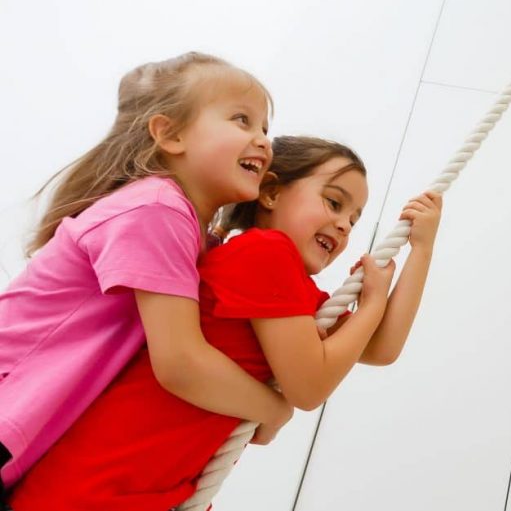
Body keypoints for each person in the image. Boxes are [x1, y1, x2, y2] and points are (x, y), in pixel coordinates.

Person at [8, 136, 442, 510]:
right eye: (334, 202)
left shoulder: (288, 290)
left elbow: (381, 349)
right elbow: (309, 387)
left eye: (354, 218)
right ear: (270, 193)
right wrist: (370, 306)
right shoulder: (262, 255)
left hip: (146, 491)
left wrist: (420, 250)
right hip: (95, 489)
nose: (344, 224)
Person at [0, 52, 294, 494]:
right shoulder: (156, 209)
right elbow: (181, 363)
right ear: (170, 134)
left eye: (265, 128)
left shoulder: (189, 231)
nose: (264, 141)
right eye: (242, 120)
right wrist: (274, 409)